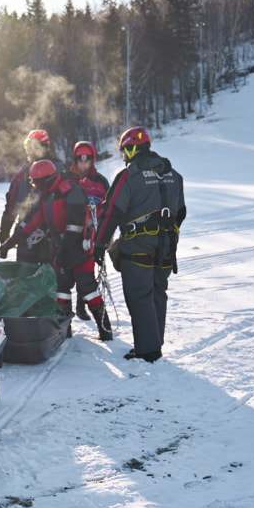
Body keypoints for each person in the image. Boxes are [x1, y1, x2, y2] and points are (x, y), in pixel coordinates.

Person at [91, 127, 185, 362]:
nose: (123, 157)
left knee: (139, 295)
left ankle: (148, 350)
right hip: (166, 245)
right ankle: (154, 343)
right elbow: (181, 212)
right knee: (157, 293)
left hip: (139, 245)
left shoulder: (129, 176)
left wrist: (100, 244)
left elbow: (112, 212)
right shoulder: (174, 174)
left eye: (124, 152)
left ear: (132, 149)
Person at [0, 159, 92, 321]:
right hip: (61, 247)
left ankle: (105, 331)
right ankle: (63, 325)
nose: (36, 189)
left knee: (88, 289)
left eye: (37, 185)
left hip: (78, 248)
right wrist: (10, 243)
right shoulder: (46, 196)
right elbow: (31, 223)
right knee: (61, 288)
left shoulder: (71, 191)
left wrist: (64, 249)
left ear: (47, 181)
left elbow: (75, 224)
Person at [0, 129, 67, 265]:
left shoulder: (58, 170)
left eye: (36, 146)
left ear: (46, 147)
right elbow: (12, 202)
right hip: (25, 233)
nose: (31, 150)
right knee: (25, 275)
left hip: (51, 234)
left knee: (50, 278)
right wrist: (5, 229)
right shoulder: (22, 173)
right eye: (28, 146)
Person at [70, 141, 112, 340]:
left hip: (94, 236)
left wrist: (106, 237)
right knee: (66, 280)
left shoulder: (101, 182)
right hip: (70, 237)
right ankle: (72, 316)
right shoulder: (69, 180)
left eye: (87, 158)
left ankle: (100, 323)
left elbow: (111, 210)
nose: (83, 162)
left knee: (88, 278)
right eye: (80, 158)